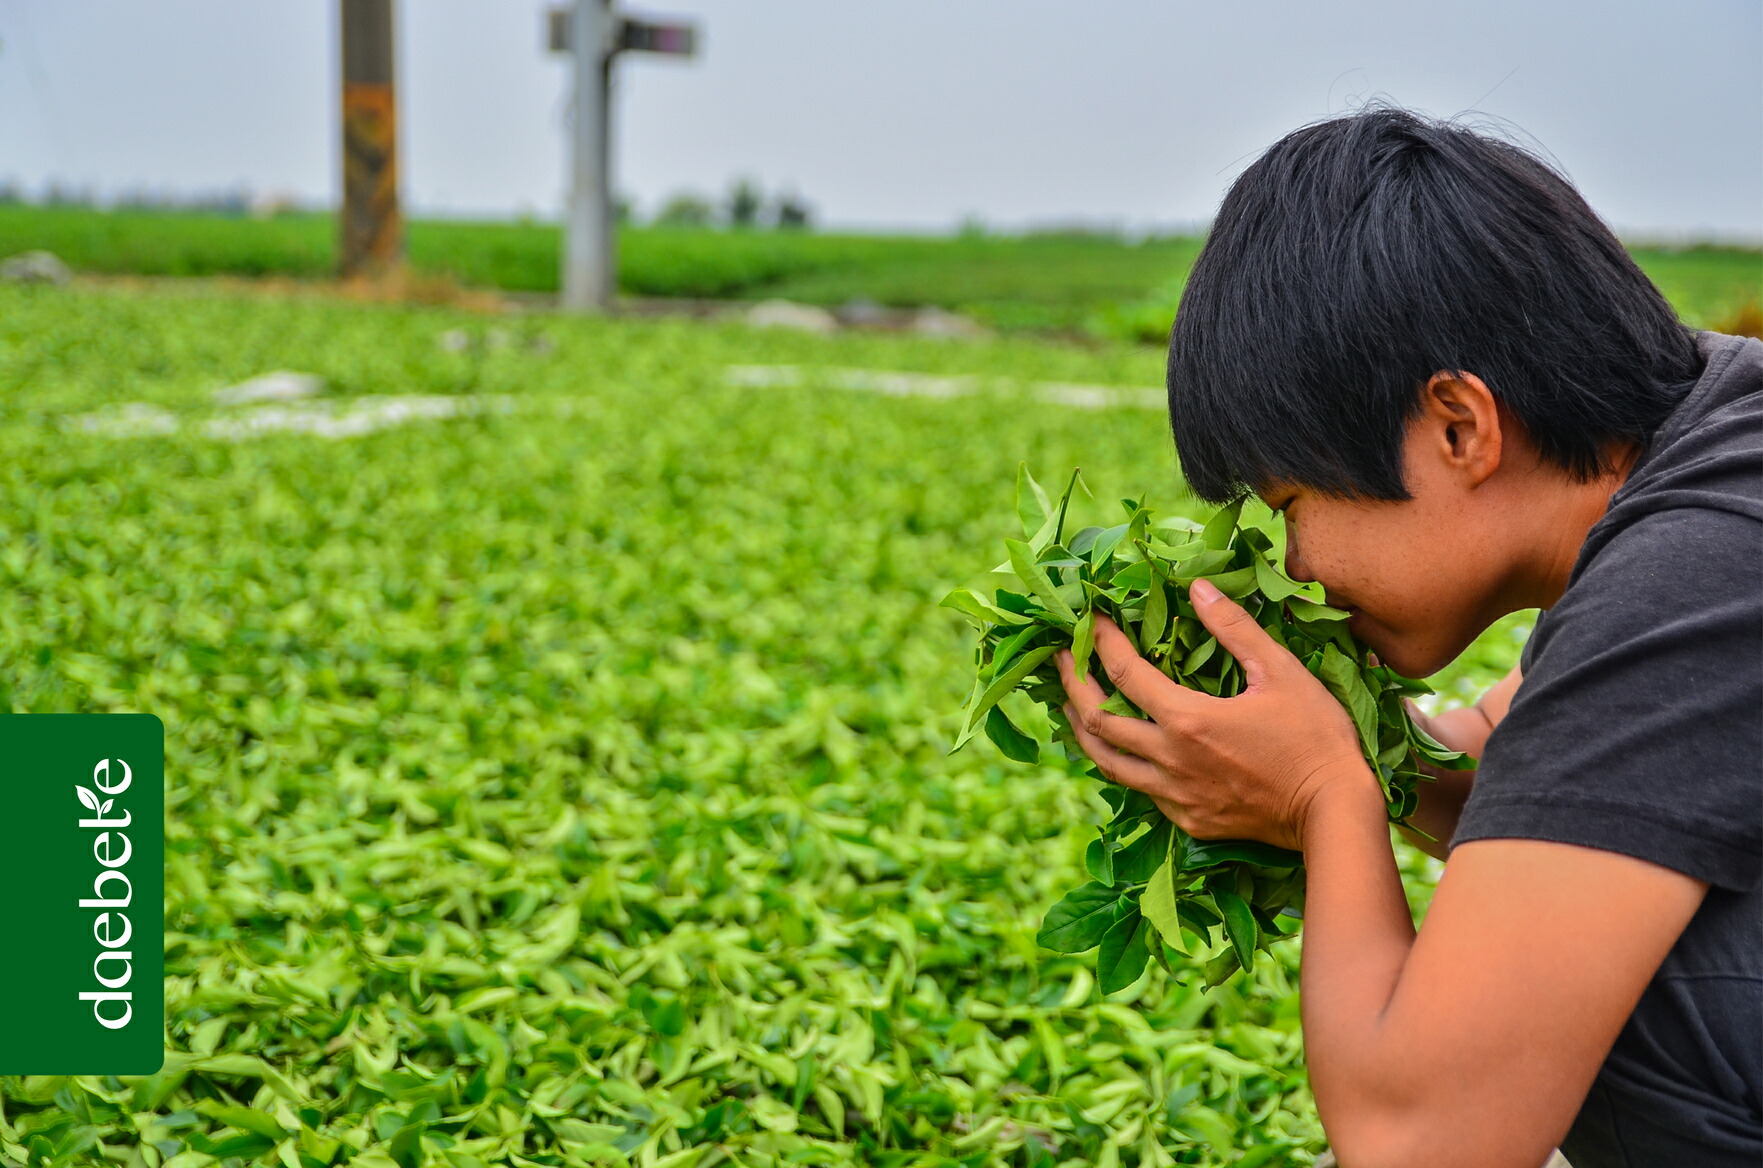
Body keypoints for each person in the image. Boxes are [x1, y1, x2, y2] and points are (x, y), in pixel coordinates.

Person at [1054, 107, 1760, 1168]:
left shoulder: (1696, 566)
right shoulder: (1707, 436)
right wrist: (1354, 744)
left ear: (1457, 428)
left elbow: (1419, 1140)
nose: (1284, 566)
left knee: (1603, 986)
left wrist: (1322, 795)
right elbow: (1532, 774)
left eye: (1286, 506)